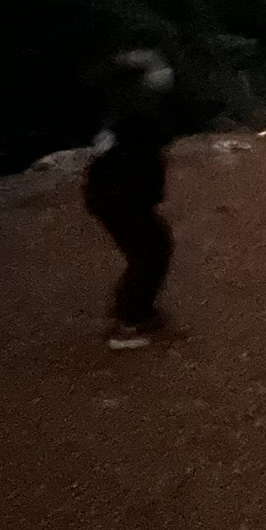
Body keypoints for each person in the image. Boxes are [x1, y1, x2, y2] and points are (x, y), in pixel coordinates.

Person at [84, 50, 176, 349]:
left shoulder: (118, 101)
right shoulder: (137, 107)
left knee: (151, 248)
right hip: (120, 194)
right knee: (151, 252)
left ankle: (135, 310)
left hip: (111, 192)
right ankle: (129, 322)